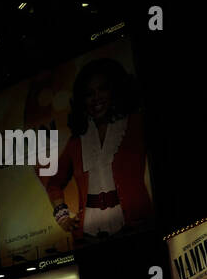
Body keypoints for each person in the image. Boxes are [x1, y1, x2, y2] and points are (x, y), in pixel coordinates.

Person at [45, 58, 150, 243]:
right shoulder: (77, 142)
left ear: (115, 90)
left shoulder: (135, 124)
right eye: (89, 93)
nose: (96, 98)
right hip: (88, 237)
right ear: (82, 100)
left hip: (135, 228)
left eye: (103, 89)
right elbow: (54, 183)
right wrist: (62, 216)